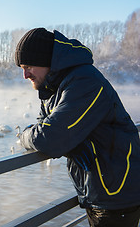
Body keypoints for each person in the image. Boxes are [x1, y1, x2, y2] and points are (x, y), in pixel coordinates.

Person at [16, 27, 140, 227]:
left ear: (46, 60)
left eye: (28, 66)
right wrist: (70, 145)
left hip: (117, 194)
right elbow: (45, 127)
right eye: (22, 67)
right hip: (99, 189)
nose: (24, 75)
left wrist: (23, 136)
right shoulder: (53, 88)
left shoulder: (84, 81)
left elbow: (49, 138)